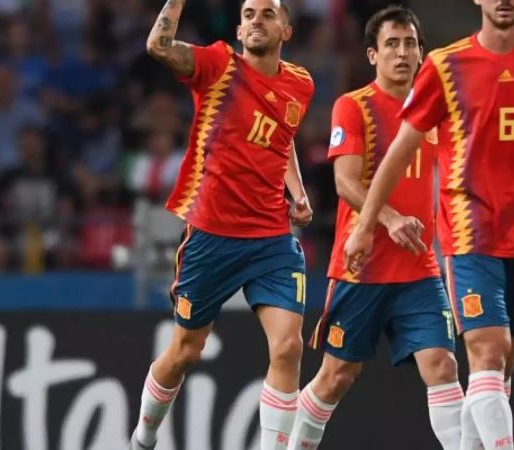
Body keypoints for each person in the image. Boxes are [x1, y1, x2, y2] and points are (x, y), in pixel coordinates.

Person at [345, 1, 514, 449]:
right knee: (486, 350)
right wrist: (364, 226)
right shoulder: (445, 65)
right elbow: (400, 150)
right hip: (469, 230)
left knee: (503, 362)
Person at [129, 1, 314, 449]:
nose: (256, 20)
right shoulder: (217, 65)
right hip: (211, 237)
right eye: (249, 13)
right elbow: (158, 45)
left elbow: (281, 136)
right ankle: (144, 436)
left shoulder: (300, 84)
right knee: (185, 352)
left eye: (268, 13)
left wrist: (298, 190)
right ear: (238, 28)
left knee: (289, 347)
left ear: (286, 30)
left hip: (271, 237)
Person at [287, 6, 461, 449]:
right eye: (392, 44)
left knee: (442, 365)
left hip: (419, 268)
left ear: (422, 53)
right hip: (360, 266)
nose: (402, 53)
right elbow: (345, 182)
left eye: (410, 44)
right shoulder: (353, 106)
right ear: (372, 54)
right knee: (336, 376)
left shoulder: (438, 114)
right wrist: (389, 218)